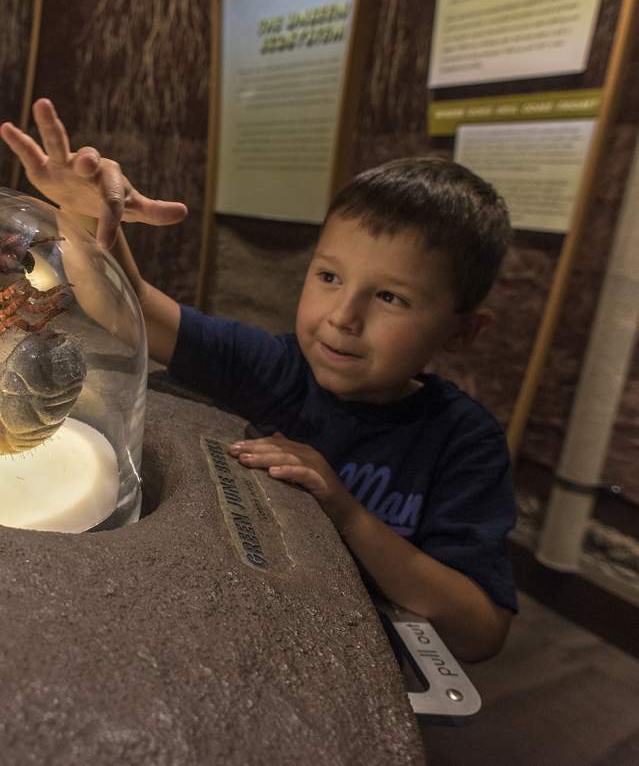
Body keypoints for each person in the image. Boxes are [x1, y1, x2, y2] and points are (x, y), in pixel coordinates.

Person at [1, 99, 517, 662]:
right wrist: (80, 217)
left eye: (391, 296)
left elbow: (480, 630)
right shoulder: (279, 367)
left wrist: (346, 513)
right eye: (328, 276)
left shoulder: (465, 443)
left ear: (463, 331)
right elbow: (138, 310)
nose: (343, 316)